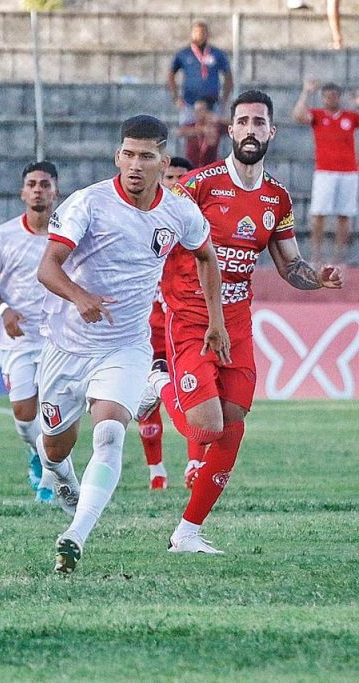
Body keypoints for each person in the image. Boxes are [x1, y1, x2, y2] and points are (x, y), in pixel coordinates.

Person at [143, 90, 345, 554]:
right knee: (207, 428)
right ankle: (158, 384)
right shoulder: (196, 185)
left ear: (271, 132)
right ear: (229, 130)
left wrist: (319, 278)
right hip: (190, 318)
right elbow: (151, 233)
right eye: (244, 121)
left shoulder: (276, 196)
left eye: (260, 122)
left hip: (236, 322)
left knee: (233, 425)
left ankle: (187, 532)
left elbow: (290, 264)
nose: (251, 129)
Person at [36, 115, 228, 574]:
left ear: (163, 160)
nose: (135, 164)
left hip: (125, 346)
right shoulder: (89, 203)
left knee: (108, 434)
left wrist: (216, 321)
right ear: (117, 157)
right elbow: (48, 267)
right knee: (56, 446)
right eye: (128, 154)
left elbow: (206, 256)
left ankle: (74, 535)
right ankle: (61, 475)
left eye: (146, 156)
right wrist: (81, 297)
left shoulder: (179, 210)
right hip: (68, 345)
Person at [0, 160, 60, 505]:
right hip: (19, 339)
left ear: (56, 190)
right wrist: (3, 309)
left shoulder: (68, 232)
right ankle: (35, 453)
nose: (38, 189)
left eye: (45, 183)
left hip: (60, 338)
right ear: (23, 191)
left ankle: (52, 480)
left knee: (55, 414)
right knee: (25, 416)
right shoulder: (3, 234)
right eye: (32, 183)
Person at [138, 156, 196, 491]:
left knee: (193, 394)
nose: (176, 183)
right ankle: (156, 470)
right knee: (146, 403)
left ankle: (194, 464)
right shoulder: (146, 219)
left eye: (182, 178)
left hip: (186, 325)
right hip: (149, 328)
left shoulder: (197, 224)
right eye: (170, 176)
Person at [292, 79, 359, 263]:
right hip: (325, 172)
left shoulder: (350, 117)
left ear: (339, 97)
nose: (331, 99)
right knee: (319, 213)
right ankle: (316, 256)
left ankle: (338, 258)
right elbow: (297, 115)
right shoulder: (318, 115)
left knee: (344, 215)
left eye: (334, 96)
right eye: (327, 96)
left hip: (349, 172)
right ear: (322, 98)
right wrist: (306, 92)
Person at [168, 21, 234, 124]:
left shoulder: (217, 53)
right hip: (189, 103)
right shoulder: (183, 54)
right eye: (196, 32)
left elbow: (228, 75)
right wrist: (176, 97)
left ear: (207, 34)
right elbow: (171, 75)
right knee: (188, 131)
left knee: (212, 132)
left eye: (202, 32)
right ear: (191, 34)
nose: (199, 35)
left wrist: (225, 98)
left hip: (212, 103)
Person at [177, 98, 224, 168]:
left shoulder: (214, 125)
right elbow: (179, 132)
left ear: (206, 111)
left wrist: (218, 119)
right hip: (192, 165)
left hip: (209, 166)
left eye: (200, 110)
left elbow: (232, 124)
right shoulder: (191, 125)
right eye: (195, 111)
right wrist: (201, 130)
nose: (197, 113)